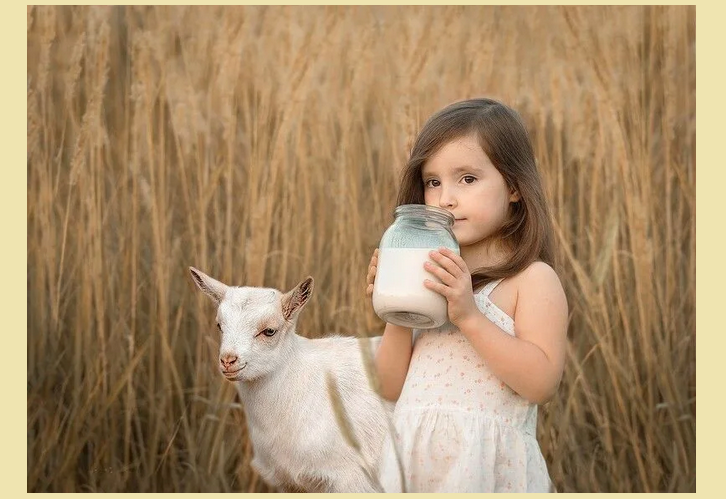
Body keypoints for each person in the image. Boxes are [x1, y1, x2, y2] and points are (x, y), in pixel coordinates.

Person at [367, 98, 568, 492]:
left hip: (482, 468)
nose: (446, 199)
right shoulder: (426, 278)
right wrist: (395, 309)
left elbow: (542, 382)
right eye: (433, 181)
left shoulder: (531, 280)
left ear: (513, 187)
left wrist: (469, 316)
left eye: (468, 179)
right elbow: (389, 386)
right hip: (412, 466)